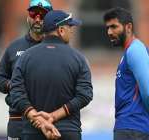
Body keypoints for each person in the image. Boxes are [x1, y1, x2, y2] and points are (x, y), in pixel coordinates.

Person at [9, 10, 93, 140]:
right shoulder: (78, 58)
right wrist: (53, 117)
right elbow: (85, 95)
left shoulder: (25, 57)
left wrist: (38, 119)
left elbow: (16, 92)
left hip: (33, 131)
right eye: (69, 26)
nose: (71, 30)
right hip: (67, 132)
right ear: (61, 30)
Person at [0, 0, 53, 139]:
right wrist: (12, 85)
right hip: (18, 120)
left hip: (50, 119)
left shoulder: (59, 48)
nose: (37, 19)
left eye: (42, 15)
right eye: (33, 14)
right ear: (27, 17)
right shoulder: (14, 47)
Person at [103, 7, 149, 140]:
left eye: (114, 27)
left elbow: (148, 92)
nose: (109, 32)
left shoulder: (135, 50)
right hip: (128, 128)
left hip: (134, 129)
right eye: (107, 28)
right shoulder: (128, 52)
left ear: (128, 27)